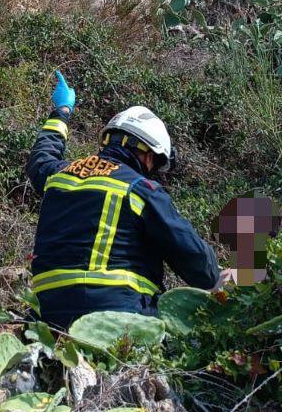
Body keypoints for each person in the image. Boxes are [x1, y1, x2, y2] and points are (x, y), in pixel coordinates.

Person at [25, 72, 220, 329]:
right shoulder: (142, 190)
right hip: (118, 316)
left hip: (47, 317)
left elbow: (41, 156)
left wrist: (62, 111)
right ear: (147, 155)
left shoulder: (58, 175)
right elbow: (200, 267)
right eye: (156, 163)